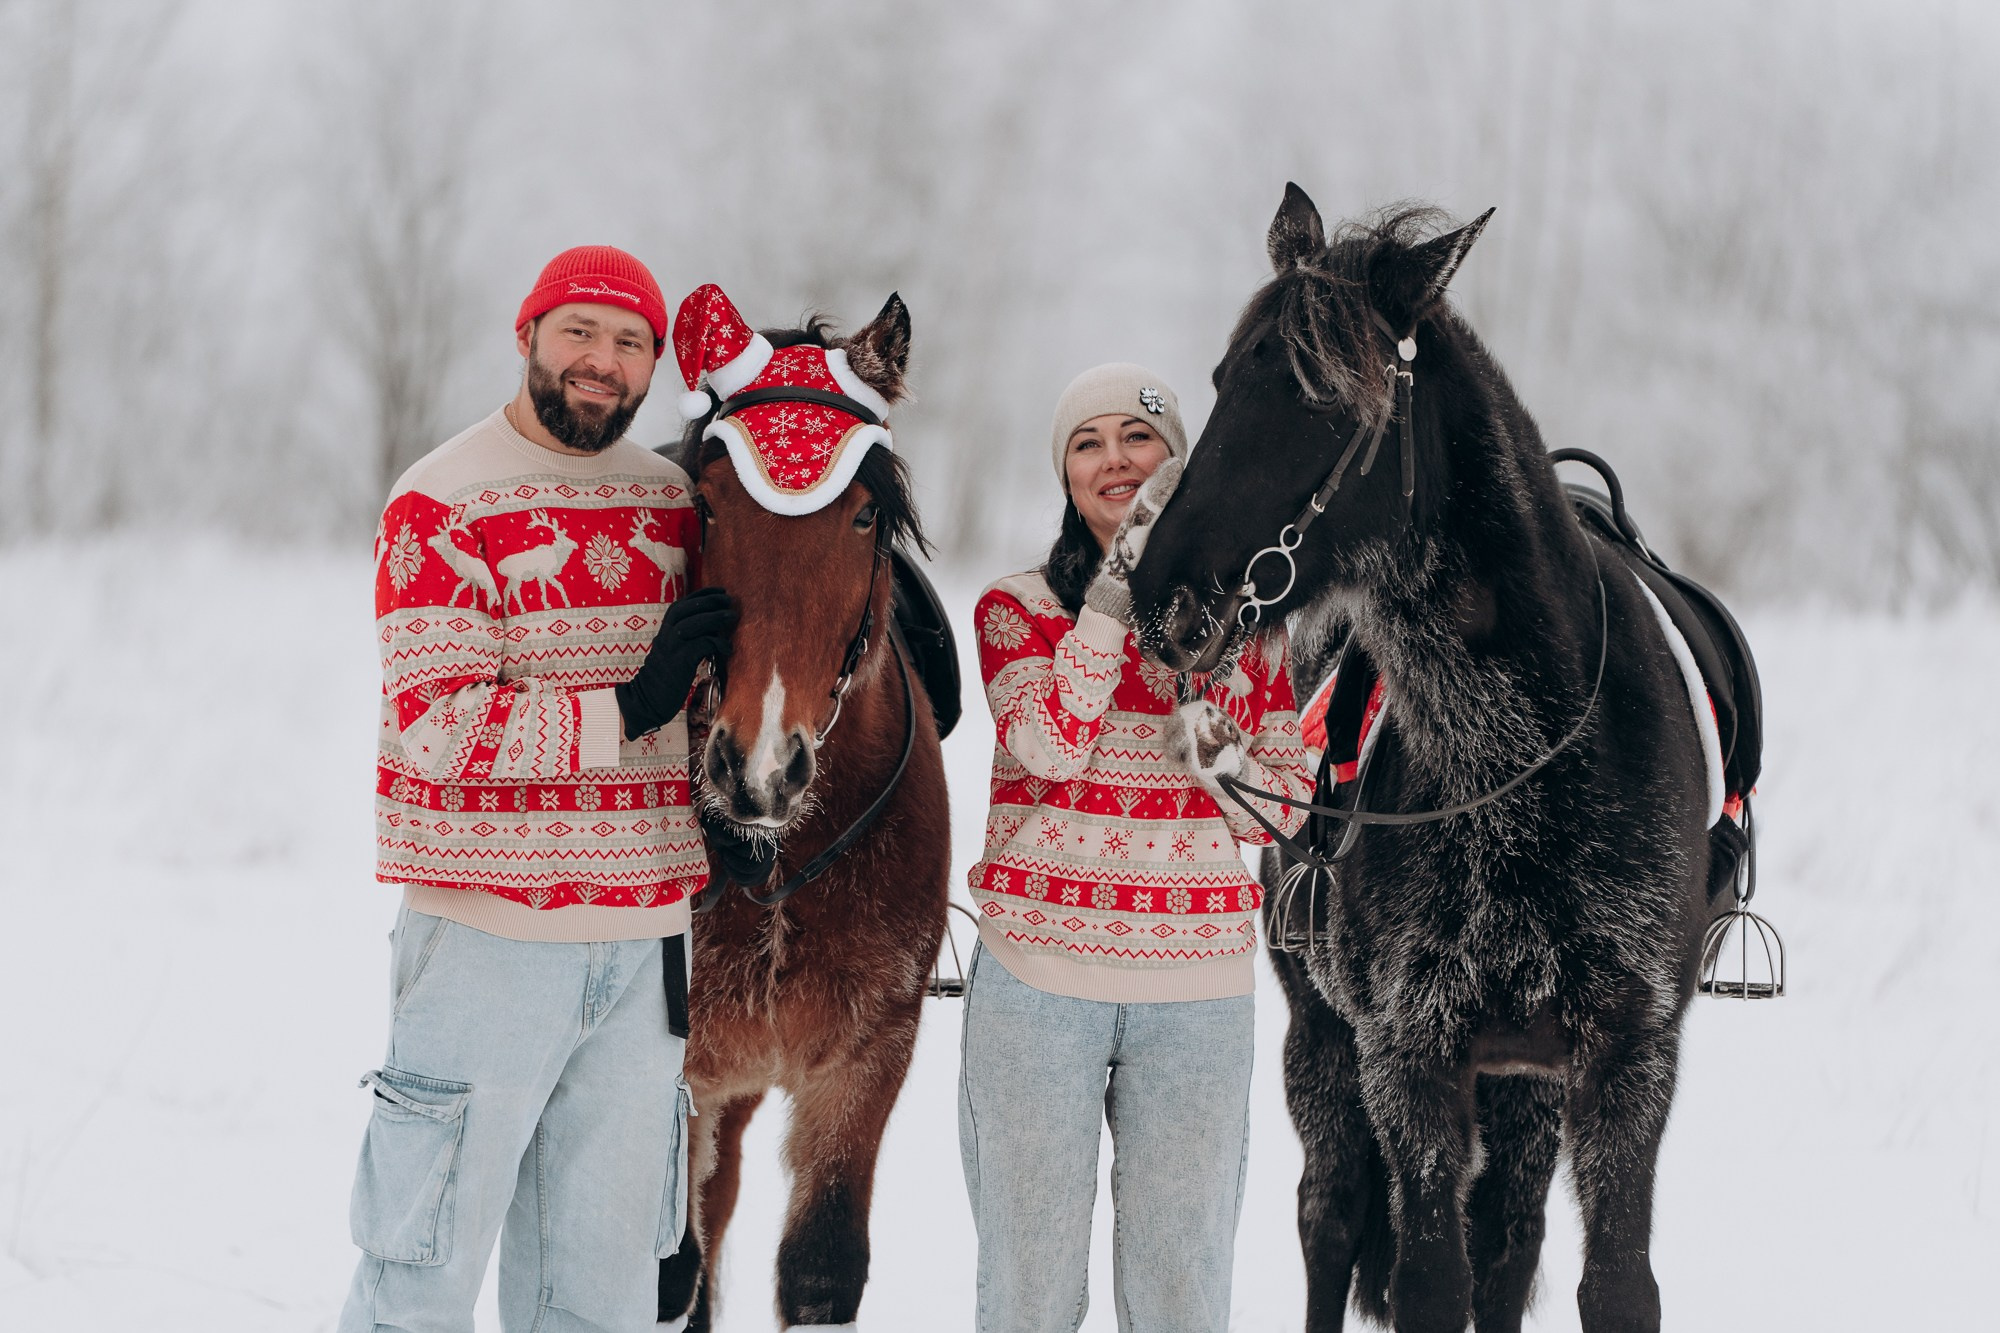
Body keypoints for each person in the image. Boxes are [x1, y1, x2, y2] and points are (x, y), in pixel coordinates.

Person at [340, 246, 734, 1332]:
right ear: (527, 335)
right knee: (419, 1271)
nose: (601, 362)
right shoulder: (442, 497)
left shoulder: (677, 505)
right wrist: (631, 702)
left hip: (647, 935)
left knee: (600, 1296)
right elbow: (437, 726)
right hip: (486, 940)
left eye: (630, 342)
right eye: (579, 333)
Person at [958, 363, 1315, 1333]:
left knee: (1181, 1293)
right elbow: (1047, 742)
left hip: (1195, 997)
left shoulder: (1254, 631)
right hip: (1036, 986)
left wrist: (1195, 682)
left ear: (1178, 461)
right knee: (1028, 1291)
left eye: (1137, 437)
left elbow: (1276, 810)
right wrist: (1114, 600)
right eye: (1087, 442)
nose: (1114, 460)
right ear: (1065, 474)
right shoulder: (1013, 607)